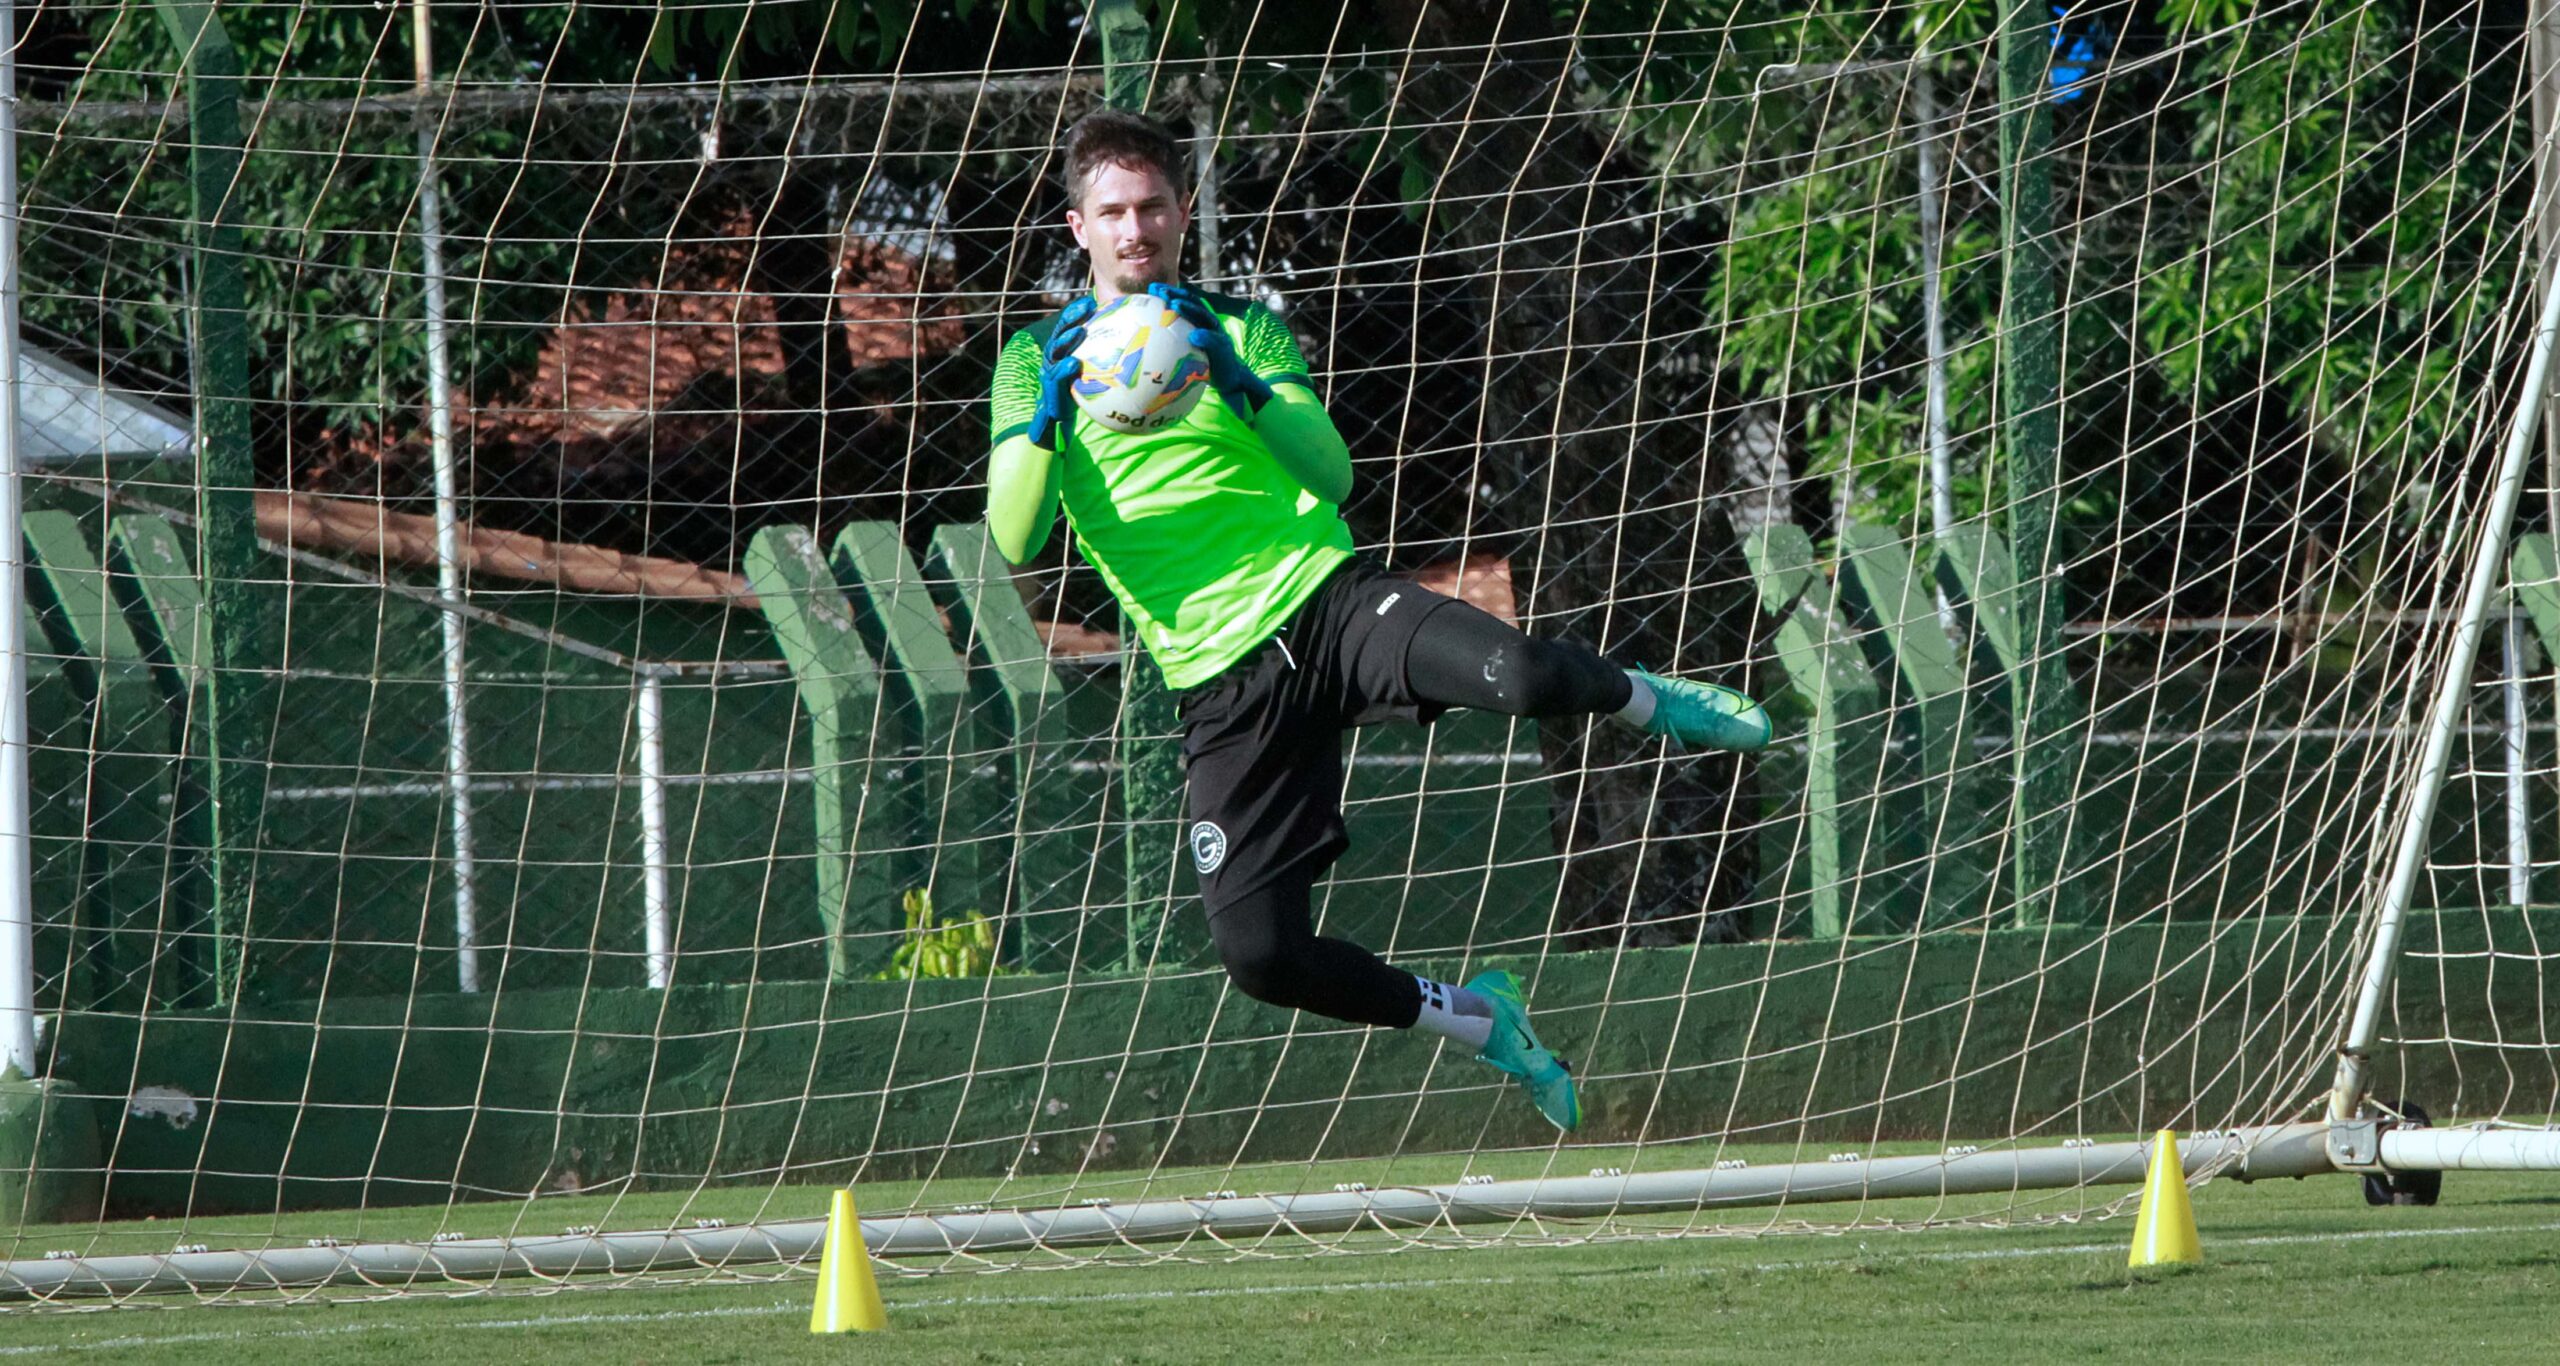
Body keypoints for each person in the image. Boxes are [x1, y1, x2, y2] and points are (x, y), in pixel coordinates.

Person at [984, 108, 1771, 1132]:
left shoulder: (1240, 326)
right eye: (1113, 213)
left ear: (1181, 214)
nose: (1137, 230)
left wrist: (1237, 382)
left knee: (1527, 680)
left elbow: (1333, 472)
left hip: (1328, 604)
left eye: (1154, 208)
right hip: (1219, 683)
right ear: (1077, 226)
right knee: (1264, 957)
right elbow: (1015, 533)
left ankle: (1646, 697)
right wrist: (1046, 417)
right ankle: (1481, 1019)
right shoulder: (1030, 355)